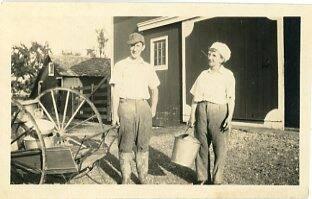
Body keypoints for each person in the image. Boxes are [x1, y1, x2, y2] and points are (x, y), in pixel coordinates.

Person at [109, 32, 160, 184]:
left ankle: (142, 177)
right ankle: (125, 178)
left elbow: (155, 89)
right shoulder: (120, 65)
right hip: (126, 106)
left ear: (143, 47)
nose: (134, 49)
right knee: (125, 144)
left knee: (143, 144)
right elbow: (115, 91)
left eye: (137, 45)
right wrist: (115, 114)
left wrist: (153, 108)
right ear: (129, 47)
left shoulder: (148, 67)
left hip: (143, 106)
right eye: (132, 45)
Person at [188, 42, 235, 185]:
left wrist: (229, 117)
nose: (210, 57)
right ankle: (202, 177)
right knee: (201, 144)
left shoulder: (228, 75)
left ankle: (217, 179)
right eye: (209, 54)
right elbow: (195, 98)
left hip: (219, 111)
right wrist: (191, 116)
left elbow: (231, 99)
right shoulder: (203, 74)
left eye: (214, 55)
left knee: (220, 147)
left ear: (221, 59)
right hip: (201, 111)